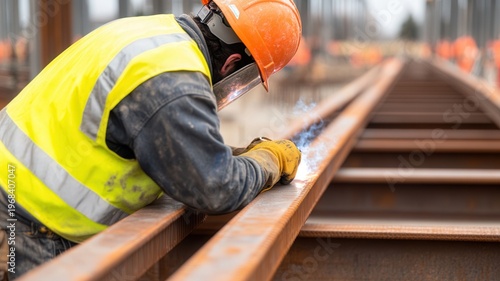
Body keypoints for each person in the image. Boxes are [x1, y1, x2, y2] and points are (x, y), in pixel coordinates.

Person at [0, 0, 302, 279]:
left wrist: (230, 156)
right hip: (22, 217)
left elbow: (160, 142)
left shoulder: (154, 36)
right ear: (232, 63)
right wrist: (267, 162)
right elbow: (215, 187)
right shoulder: (174, 79)